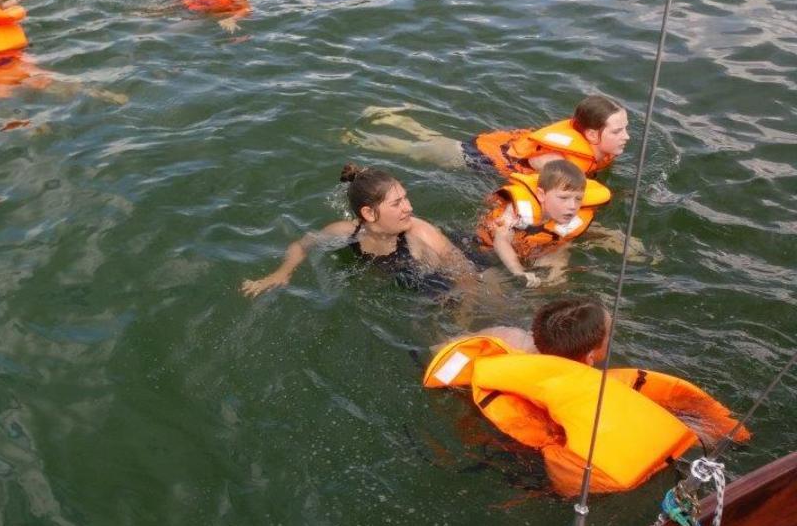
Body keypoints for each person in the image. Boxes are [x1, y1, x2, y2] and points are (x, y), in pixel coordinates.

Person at [423, 297, 750, 495]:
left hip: (483, 424)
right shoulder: (604, 394)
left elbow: (442, 351)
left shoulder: (509, 338)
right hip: (536, 463)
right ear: (593, 355)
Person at [241, 164, 475, 297]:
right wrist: (281, 273)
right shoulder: (346, 232)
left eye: (405, 198)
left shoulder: (419, 233)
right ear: (369, 214)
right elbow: (302, 245)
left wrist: (459, 321)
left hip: (457, 268)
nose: (409, 207)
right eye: (397, 203)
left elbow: (469, 278)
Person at [345, 95, 630, 177]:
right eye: (617, 131)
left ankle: (397, 119)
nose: (626, 136)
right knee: (415, 151)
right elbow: (539, 163)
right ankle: (359, 139)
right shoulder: (567, 161)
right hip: (482, 157)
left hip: (498, 145)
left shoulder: (591, 150)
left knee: (435, 141)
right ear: (591, 134)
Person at [476, 159, 610, 287]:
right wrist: (518, 271)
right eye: (564, 198)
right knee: (489, 282)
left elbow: (561, 242)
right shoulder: (516, 211)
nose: (572, 206)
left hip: (532, 249)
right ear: (541, 195)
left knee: (557, 280)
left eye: (578, 199)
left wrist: (557, 269)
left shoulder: (570, 219)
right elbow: (501, 239)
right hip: (483, 250)